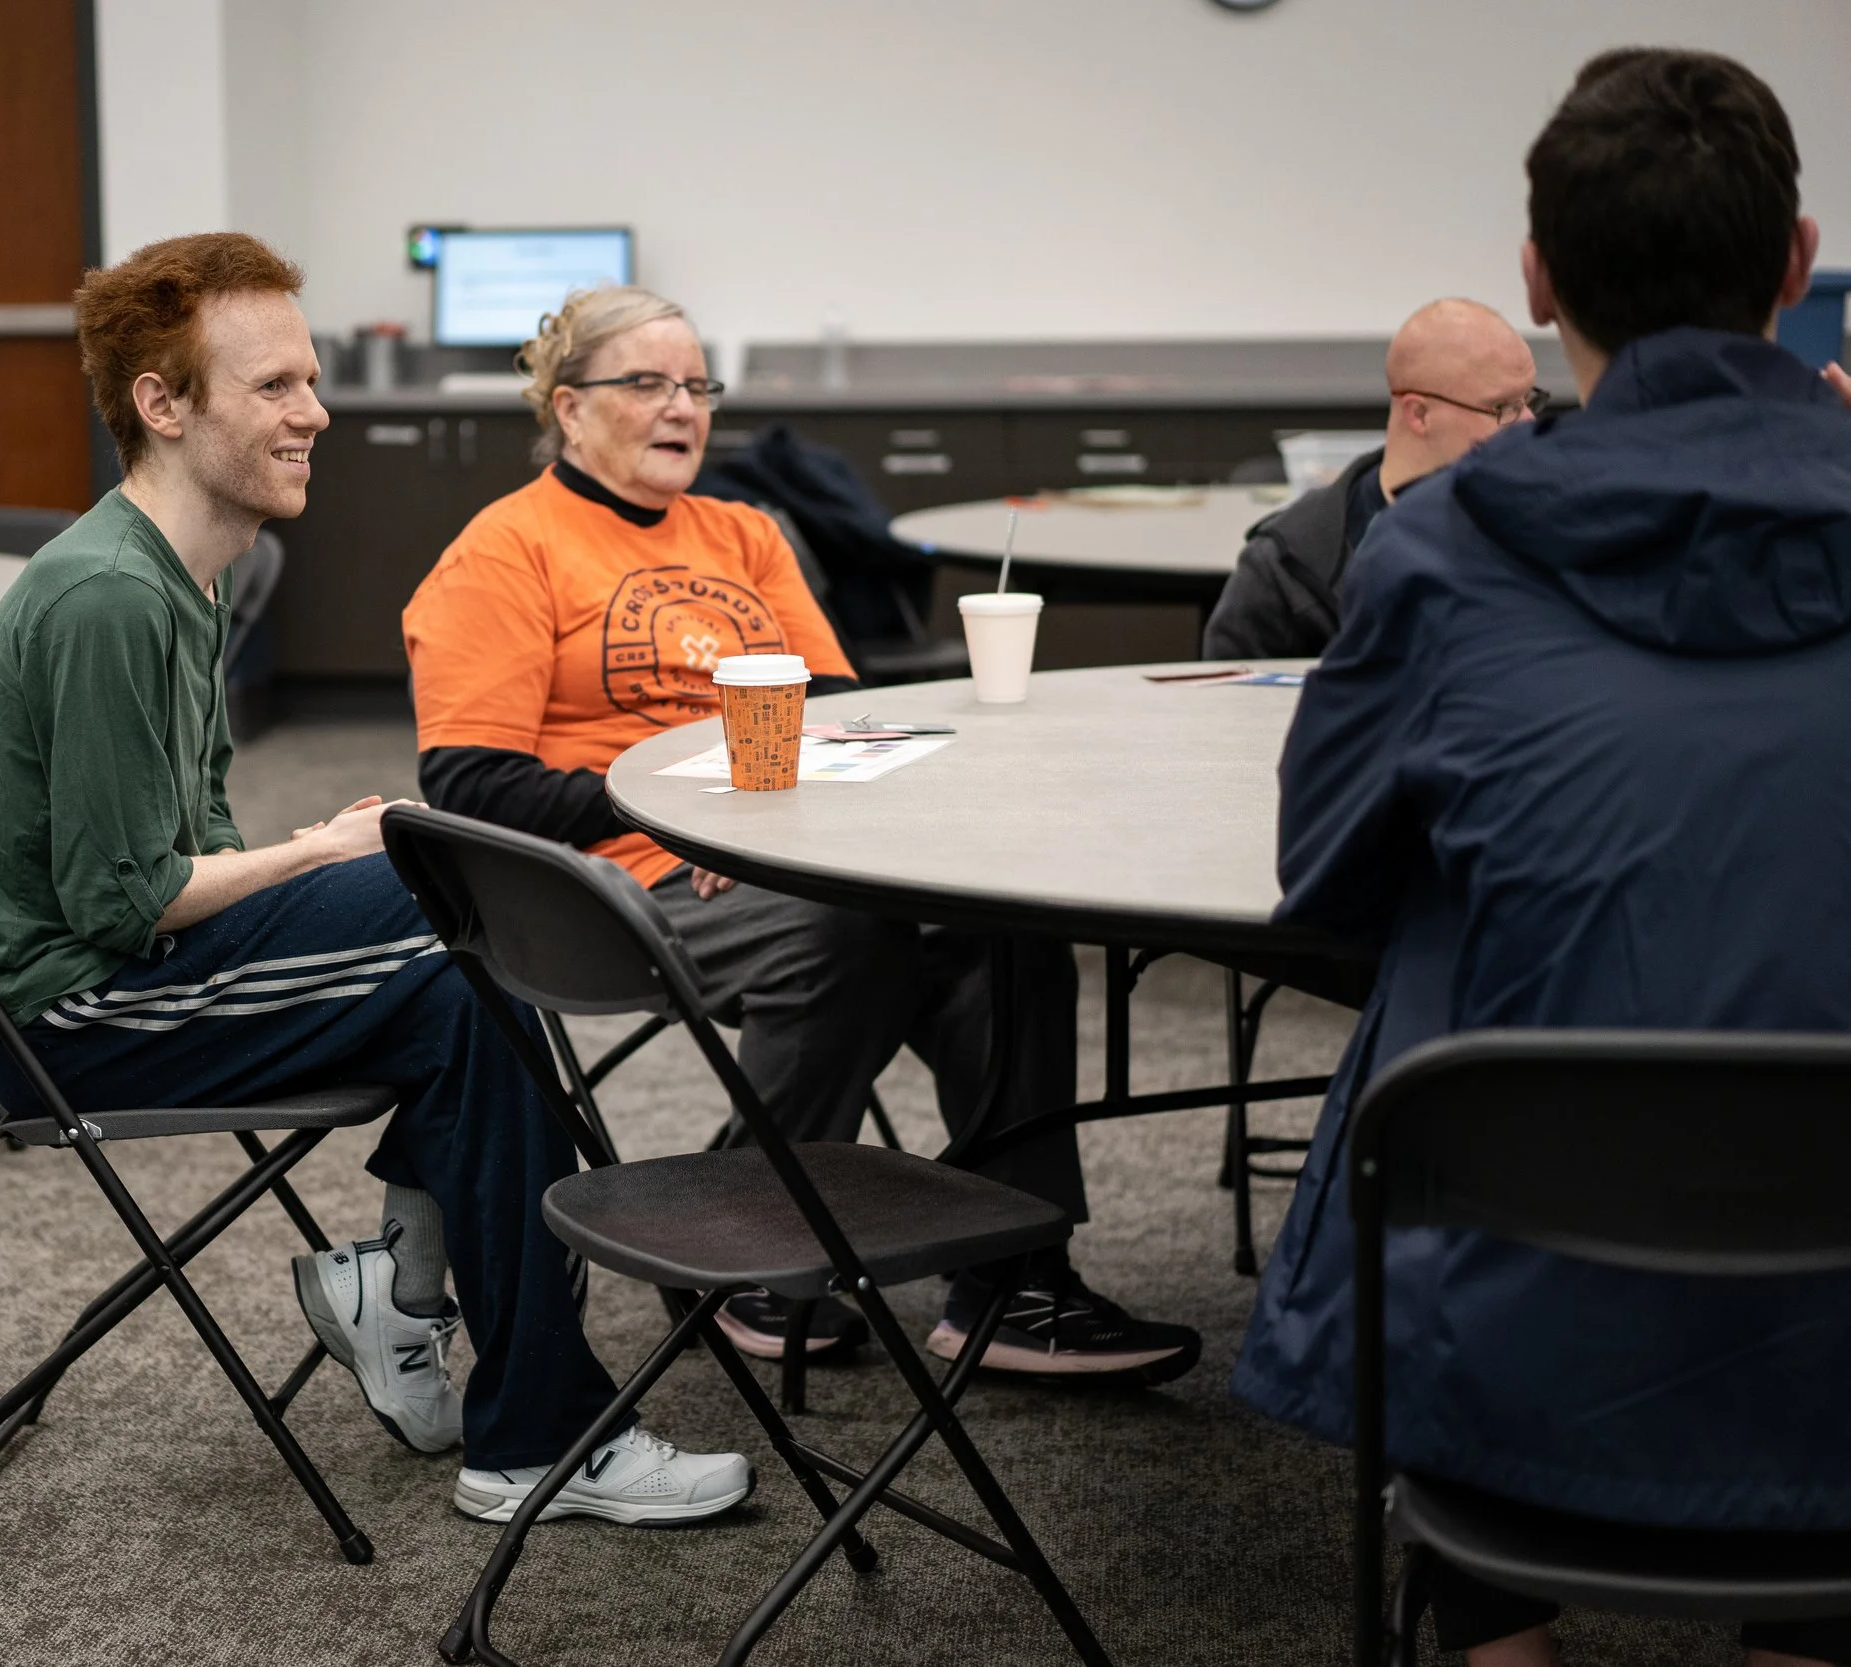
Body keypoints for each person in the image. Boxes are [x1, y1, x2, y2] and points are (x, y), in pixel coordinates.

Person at [0, 232, 752, 1528]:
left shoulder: (187, 572)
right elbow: (121, 901)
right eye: (274, 386)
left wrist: (324, 850)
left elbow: (181, 843)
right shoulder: (111, 597)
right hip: (76, 1018)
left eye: (309, 379)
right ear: (162, 404)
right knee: (464, 919)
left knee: (465, 925)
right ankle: (527, 1416)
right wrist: (323, 850)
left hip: (129, 968)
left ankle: (423, 1310)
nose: (315, 411)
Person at [1232, 49, 1851, 1667]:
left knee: (1450, 975)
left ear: (1539, 278)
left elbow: (1328, 883)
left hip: (1513, 1330)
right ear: (1795, 265)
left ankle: (1494, 1632)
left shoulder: (1436, 550)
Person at [403, 285, 1200, 1384]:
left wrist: (792, 821)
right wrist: (685, 811)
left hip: (781, 854)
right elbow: (468, 781)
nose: (682, 407)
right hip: (607, 885)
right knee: (843, 937)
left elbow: (832, 711)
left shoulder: (744, 531)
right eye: (647, 383)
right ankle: (753, 1255)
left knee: (1000, 931)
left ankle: (1015, 1280)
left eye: (696, 386)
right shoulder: (504, 551)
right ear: (568, 406)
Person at [1202, 299, 1541, 660]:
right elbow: (1230, 711)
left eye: (1530, 400)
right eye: (1504, 407)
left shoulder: (1554, 534)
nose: (1529, 423)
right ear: (1419, 414)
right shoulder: (1286, 572)